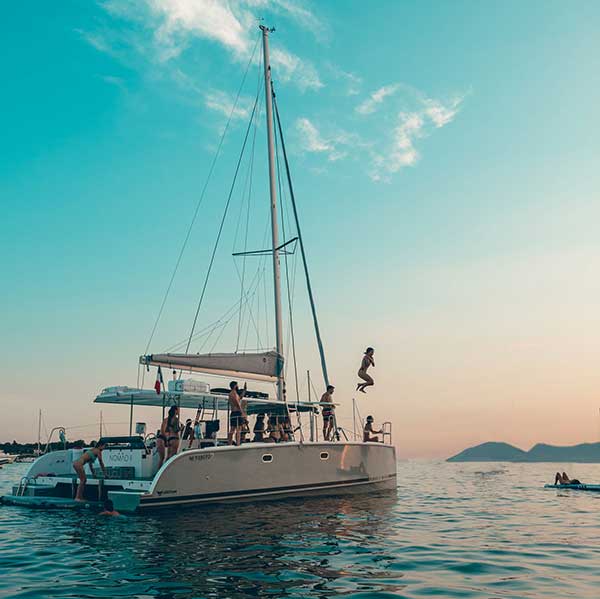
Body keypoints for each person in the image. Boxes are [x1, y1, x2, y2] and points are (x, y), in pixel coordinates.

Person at [228, 381, 247, 446]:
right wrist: (242, 413)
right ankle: (237, 443)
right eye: (237, 385)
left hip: (233, 413)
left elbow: (240, 398)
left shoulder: (232, 393)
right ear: (235, 386)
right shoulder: (233, 393)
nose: (238, 386)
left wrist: (244, 390)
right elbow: (237, 404)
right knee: (238, 429)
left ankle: (230, 443)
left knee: (232, 429)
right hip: (237, 413)